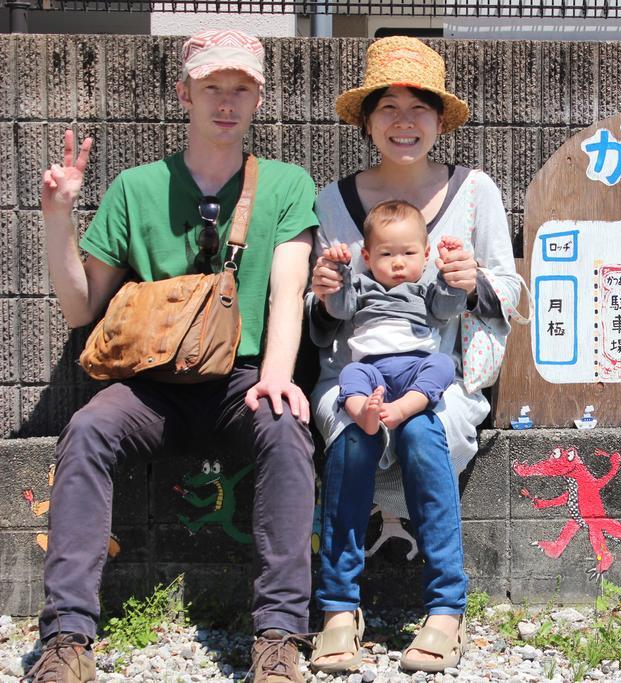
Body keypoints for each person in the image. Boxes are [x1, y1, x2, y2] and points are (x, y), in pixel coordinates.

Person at [28, 29, 317, 683]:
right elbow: (82, 309)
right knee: (88, 428)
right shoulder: (136, 189)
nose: (226, 101)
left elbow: (289, 287)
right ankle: (67, 639)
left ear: (259, 98)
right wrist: (57, 219)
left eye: (241, 88)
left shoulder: (286, 185)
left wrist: (276, 376)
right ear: (183, 93)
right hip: (151, 384)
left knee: (286, 429)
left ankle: (277, 638)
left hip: (241, 377)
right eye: (212, 87)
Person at [307, 36, 520, 674]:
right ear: (367, 121)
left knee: (433, 429)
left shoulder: (476, 191)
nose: (404, 121)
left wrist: (470, 279)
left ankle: (445, 612)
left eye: (419, 106)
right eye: (388, 107)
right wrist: (321, 296)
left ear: (439, 118)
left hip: (439, 377)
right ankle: (339, 614)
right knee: (351, 433)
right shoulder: (330, 201)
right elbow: (319, 316)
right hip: (352, 374)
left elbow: (510, 290)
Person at [324, 199, 467, 436]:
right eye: (386, 253)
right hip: (370, 369)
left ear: (426, 254)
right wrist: (339, 270)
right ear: (367, 257)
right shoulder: (362, 287)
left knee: (443, 364)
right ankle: (362, 413)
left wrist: (448, 275)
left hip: (417, 367)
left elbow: (446, 310)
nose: (398, 262)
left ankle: (405, 406)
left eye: (409, 253)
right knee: (349, 374)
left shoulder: (425, 289)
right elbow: (341, 310)